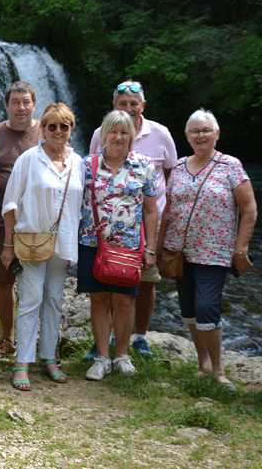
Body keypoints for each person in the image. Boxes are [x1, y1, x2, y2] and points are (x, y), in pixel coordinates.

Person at [157, 109, 256, 390]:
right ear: (187, 136)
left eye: (206, 131)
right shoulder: (176, 168)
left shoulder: (231, 166)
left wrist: (241, 249)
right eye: (195, 131)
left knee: (207, 306)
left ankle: (219, 372)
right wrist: (158, 247)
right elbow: (168, 211)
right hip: (179, 251)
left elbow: (249, 210)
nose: (201, 136)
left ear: (216, 135)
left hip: (215, 252)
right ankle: (204, 364)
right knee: (188, 309)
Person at [87, 80, 177, 357]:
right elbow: (92, 177)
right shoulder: (98, 134)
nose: (128, 108)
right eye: (122, 104)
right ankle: (106, 342)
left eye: (133, 104)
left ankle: (139, 336)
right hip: (102, 231)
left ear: (143, 106)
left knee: (145, 283)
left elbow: (172, 175)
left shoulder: (160, 134)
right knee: (105, 283)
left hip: (146, 227)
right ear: (114, 106)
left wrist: (157, 235)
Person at [1, 103, 81, 390]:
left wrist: (73, 247)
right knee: (31, 300)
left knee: (55, 301)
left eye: (64, 126)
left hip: (63, 245)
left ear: (71, 129)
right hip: (32, 242)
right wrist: (8, 245)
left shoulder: (78, 162)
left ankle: (49, 358)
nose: (58, 131)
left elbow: (78, 207)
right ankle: (22, 362)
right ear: (42, 129)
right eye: (51, 126)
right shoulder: (28, 159)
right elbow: (10, 204)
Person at [78, 110, 158, 381]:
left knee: (124, 303)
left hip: (128, 247)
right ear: (103, 134)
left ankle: (122, 355)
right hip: (92, 243)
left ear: (132, 136)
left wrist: (150, 249)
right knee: (98, 301)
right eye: (113, 131)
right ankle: (102, 357)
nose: (118, 136)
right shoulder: (87, 165)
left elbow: (150, 210)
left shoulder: (144, 165)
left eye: (124, 132)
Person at [0, 81, 41, 360]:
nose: (21, 107)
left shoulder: (47, 131)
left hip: (38, 227)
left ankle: (39, 344)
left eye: (26, 101)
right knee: (2, 285)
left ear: (34, 104)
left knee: (37, 286)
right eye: (15, 102)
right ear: (6, 106)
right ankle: (8, 340)